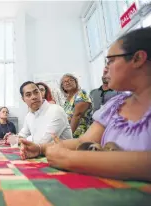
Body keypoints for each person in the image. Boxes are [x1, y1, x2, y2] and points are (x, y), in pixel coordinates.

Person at [20, 27, 151, 182]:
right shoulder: (115, 106)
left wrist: (71, 158)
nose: (105, 69)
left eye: (111, 60)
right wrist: (40, 149)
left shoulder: (65, 105)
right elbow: (82, 141)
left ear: (137, 59)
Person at [60, 74, 92, 138]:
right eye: (64, 82)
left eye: (70, 80)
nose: (67, 82)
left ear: (76, 82)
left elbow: (77, 115)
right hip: (71, 134)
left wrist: (69, 137)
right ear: (62, 86)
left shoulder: (81, 93)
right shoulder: (67, 100)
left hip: (81, 134)